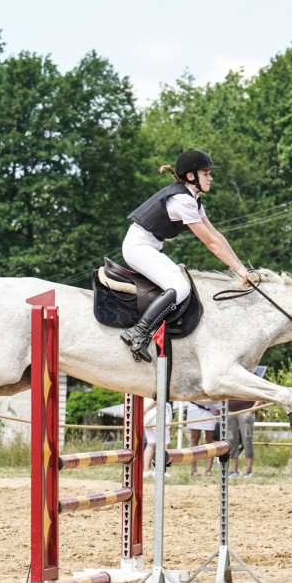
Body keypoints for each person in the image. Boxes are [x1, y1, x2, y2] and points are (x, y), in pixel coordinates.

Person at [120, 149, 251, 362]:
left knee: (182, 284)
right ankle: (138, 332)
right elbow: (209, 243)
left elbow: (216, 235)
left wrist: (240, 266)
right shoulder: (183, 201)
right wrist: (238, 270)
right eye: (206, 173)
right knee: (180, 288)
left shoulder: (192, 198)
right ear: (191, 176)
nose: (210, 177)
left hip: (149, 246)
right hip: (138, 246)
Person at [226, 397, 261, 478]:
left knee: (247, 440)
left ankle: (249, 471)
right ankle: (234, 471)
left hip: (246, 411)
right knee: (231, 441)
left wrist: (253, 409)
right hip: (230, 411)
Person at [184, 401, 219, 476]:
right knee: (194, 438)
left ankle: (208, 470)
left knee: (210, 440)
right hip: (196, 407)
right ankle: (193, 471)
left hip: (213, 408)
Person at [142, 397, 173, 479]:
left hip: (147, 415)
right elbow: (159, 395)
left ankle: (146, 470)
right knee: (164, 443)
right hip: (158, 412)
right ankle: (160, 471)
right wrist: (145, 409)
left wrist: (145, 410)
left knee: (151, 443)